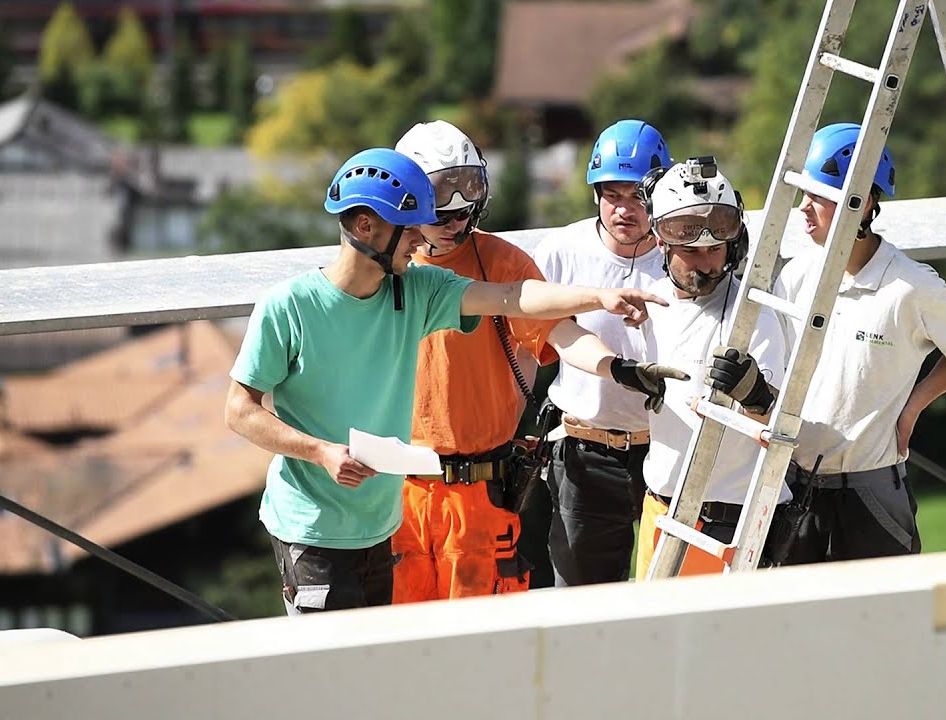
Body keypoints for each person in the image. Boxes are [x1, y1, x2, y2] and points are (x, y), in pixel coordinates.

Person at [225, 147, 675, 614]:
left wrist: (598, 297)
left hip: (382, 521)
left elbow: (513, 296)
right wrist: (318, 451)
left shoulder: (416, 290)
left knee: (393, 660)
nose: (422, 240)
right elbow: (238, 410)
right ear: (365, 227)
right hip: (315, 527)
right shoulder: (288, 306)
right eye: (412, 226)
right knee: (337, 674)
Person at [389, 121, 685, 602]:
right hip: (398, 487)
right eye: (442, 196)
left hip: (479, 484)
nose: (455, 215)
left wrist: (618, 369)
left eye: (466, 192)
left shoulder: (502, 262)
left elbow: (554, 328)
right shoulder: (384, 270)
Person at [774, 123, 946, 563]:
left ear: (864, 201)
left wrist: (914, 406)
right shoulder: (795, 274)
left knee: (888, 623)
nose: (804, 207)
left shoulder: (909, 286)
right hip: (792, 485)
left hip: (873, 492)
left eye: (818, 195)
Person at [631, 157, 791, 578]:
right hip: (660, 511)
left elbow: (779, 420)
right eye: (691, 252)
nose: (706, 264)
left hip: (728, 523)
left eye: (714, 250)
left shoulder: (754, 315)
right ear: (662, 244)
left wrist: (755, 393)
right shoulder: (648, 305)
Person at [532, 119, 674, 586]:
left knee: (675, 596)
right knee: (584, 602)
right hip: (586, 449)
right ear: (596, 194)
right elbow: (542, 334)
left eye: (637, 196)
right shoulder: (561, 252)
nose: (624, 209)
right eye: (612, 194)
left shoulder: (683, 255)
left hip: (668, 449)